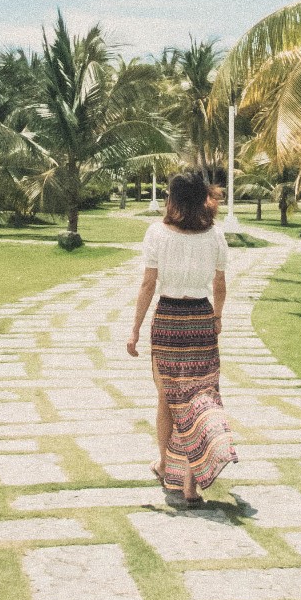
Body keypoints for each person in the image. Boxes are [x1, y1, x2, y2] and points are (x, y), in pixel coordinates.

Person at [126, 170, 235, 505]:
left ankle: (164, 466)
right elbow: (219, 283)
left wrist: (135, 328)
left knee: (167, 398)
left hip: (169, 320)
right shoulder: (214, 234)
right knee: (199, 397)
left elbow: (148, 284)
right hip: (201, 319)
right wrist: (216, 317)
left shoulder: (157, 233)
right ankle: (189, 480)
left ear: (172, 198)